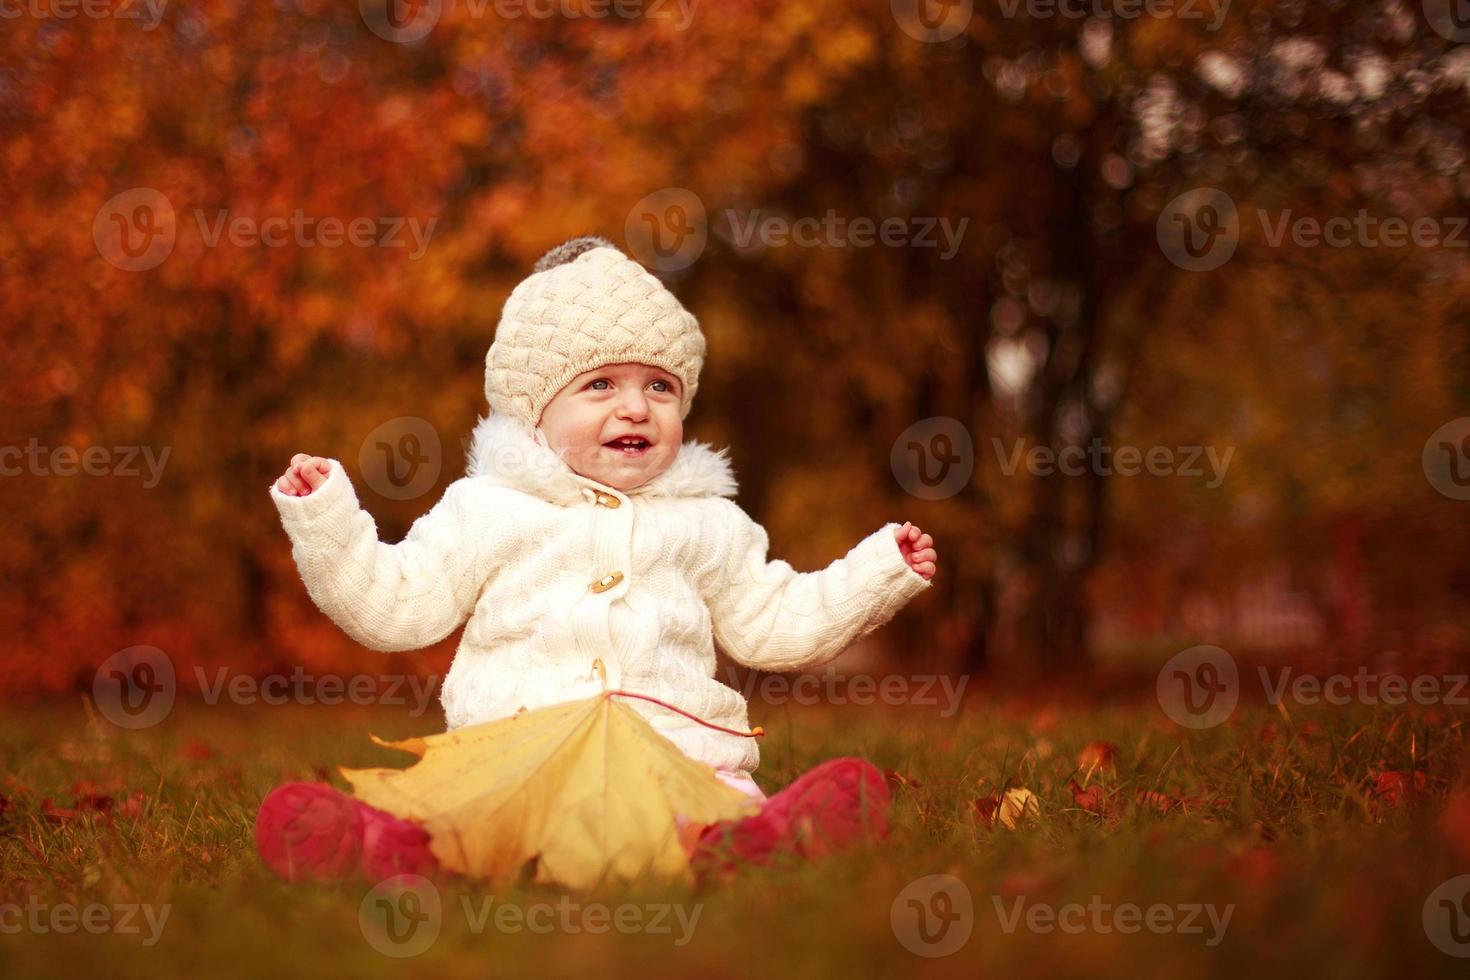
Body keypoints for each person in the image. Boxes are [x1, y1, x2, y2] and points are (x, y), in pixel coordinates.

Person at [256, 236, 939, 884]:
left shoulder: (707, 522)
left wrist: (879, 571)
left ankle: (752, 841)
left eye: (660, 387)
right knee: (477, 823)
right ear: (534, 412)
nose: (637, 408)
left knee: (705, 807)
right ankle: (390, 848)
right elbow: (396, 606)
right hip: (523, 757)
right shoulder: (489, 509)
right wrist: (327, 521)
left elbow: (774, 619)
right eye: (602, 385)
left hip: (679, 755)